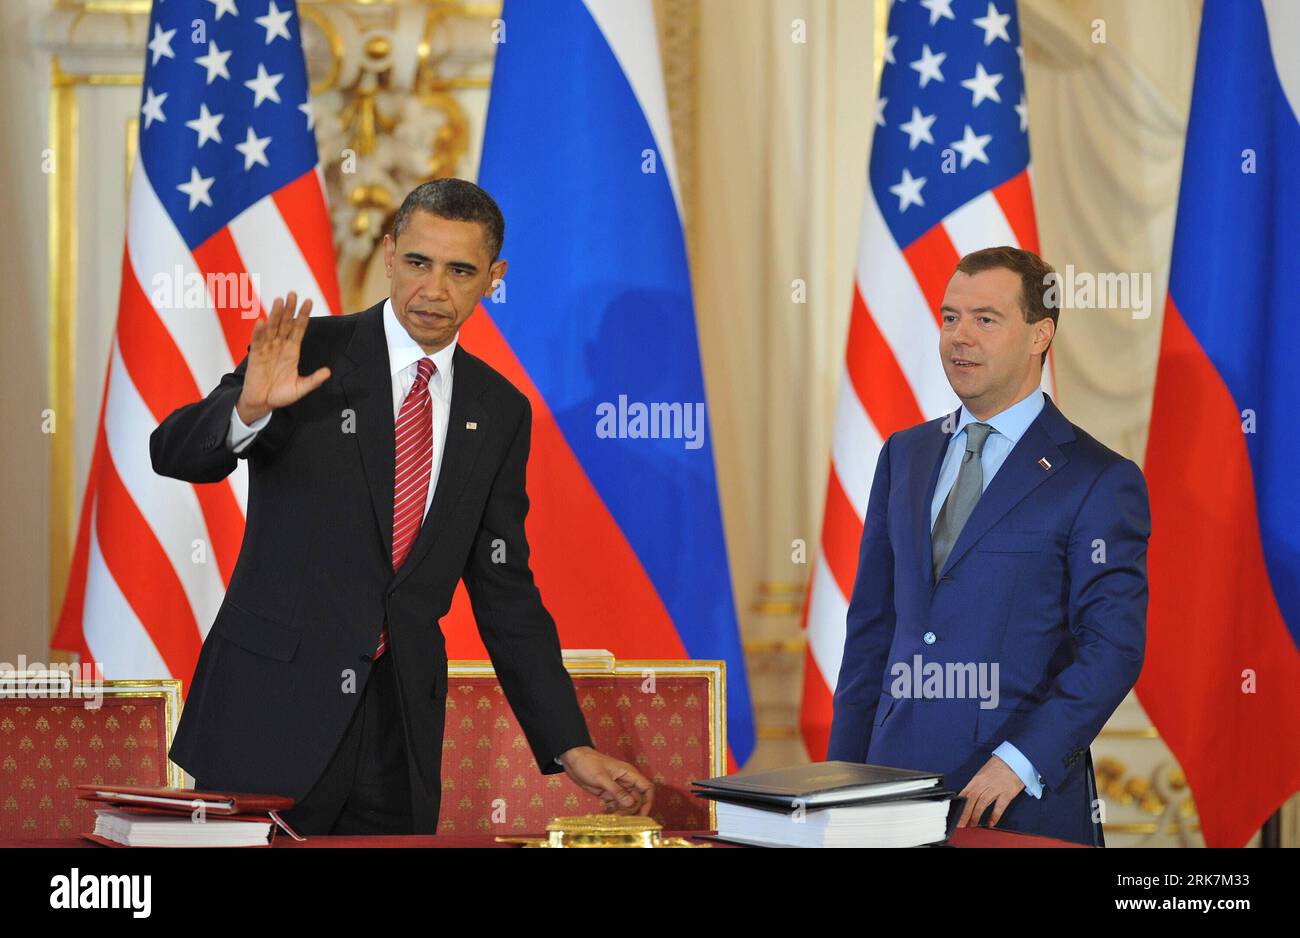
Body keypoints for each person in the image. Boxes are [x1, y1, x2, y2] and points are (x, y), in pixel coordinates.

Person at [151, 178, 654, 834]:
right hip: (266, 717)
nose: (434, 289)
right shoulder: (310, 354)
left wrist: (570, 744)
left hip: (398, 736)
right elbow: (173, 451)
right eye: (418, 262)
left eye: (460, 270)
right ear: (389, 253)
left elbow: (507, 594)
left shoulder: (499, 410)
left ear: (493, 278)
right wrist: (247, 408)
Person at [826, 246, 1150, 846]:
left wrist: (1021, 760)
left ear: (1039, 335)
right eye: (950, 318)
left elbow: (1113, 648)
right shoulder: (904, 454)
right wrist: (842, 778)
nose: (959, 338)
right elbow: (871, 627)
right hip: (887, 794)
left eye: (985, 319)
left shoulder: (1098, 479)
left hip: (1013, 802)